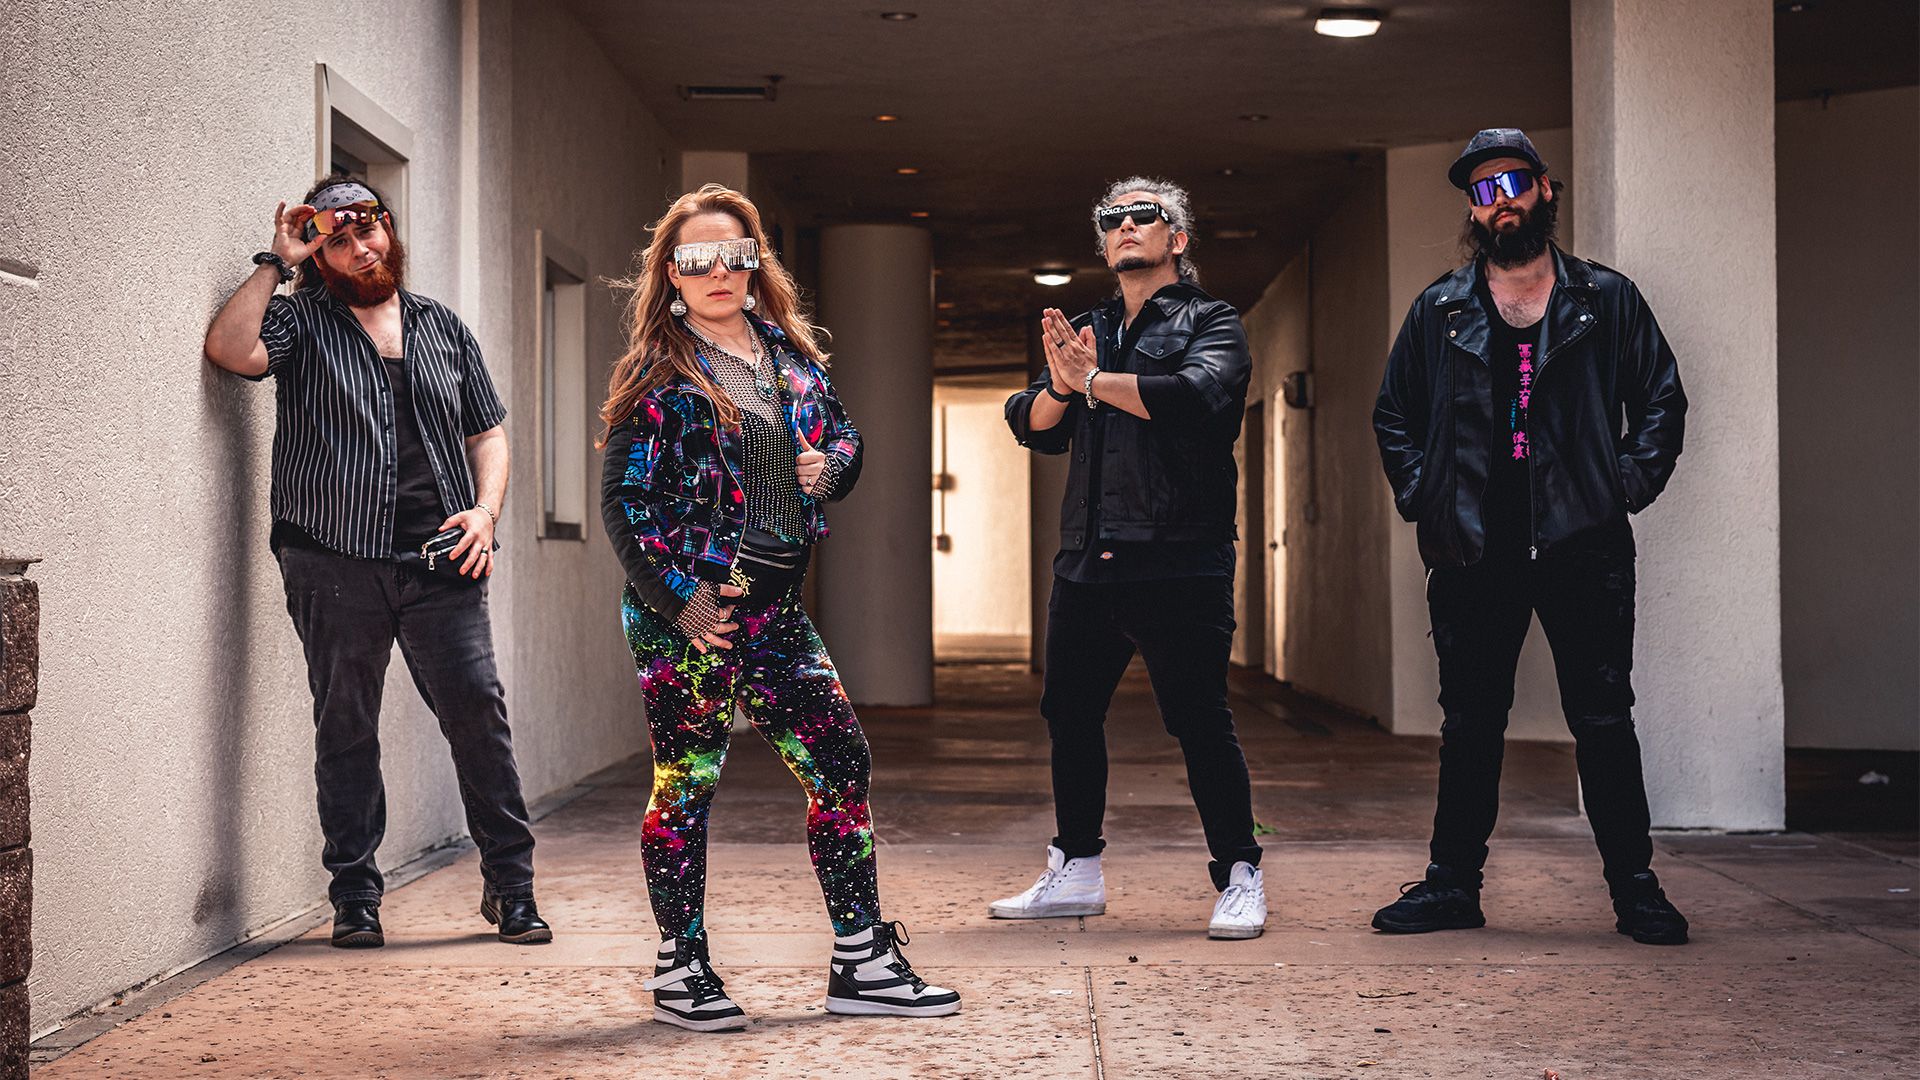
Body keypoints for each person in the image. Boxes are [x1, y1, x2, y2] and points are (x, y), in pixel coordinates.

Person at [599, 184, 960, 1031]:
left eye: (734, 254)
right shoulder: (658, 373)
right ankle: (681, 969)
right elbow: (623, 503)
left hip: (776, 610)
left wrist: (830, 468)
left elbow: (845, 437)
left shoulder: (791, 357)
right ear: (672, 274)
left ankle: (862, 962)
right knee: (687, 781)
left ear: (755, 262)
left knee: (841, 764)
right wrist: (681, 605)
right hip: (689, 614)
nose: (718, 271)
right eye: (697, 259)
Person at [203, 175, 548, 948]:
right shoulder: (299, 321)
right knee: (346, 725)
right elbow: (229, 349)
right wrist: (277, 261)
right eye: (339, 240)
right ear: (319, 254)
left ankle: (512, 886)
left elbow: (487, 433)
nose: (361, 249)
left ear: (387, 228)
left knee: (478, 716)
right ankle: (355, 897)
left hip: (443, 559)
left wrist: (486, 513)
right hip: (332, 558)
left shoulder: (443, 327)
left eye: (370, 230)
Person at [1371, 128, 1690, 945]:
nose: (1499, 200)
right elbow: (1394, 415)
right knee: (1470, 724)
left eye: (1512, 182)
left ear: (1545, 188)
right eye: (1482, 191)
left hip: (1584, 543)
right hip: (1475, 548)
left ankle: (1636, 891)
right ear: (1473, 210)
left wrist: (1620, 486)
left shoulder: (1605, 299)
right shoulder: (1441, 309)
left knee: (1603, 718)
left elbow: (1661, 398)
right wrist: (1429, 498)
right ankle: (1452, 886)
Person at [997, 177, 1266, 940]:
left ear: (1176, 238)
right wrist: (1063, 386)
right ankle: (1077, 868)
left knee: (1198, 719)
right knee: (1069, 712)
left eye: (1143, 215)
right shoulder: (1088, 330)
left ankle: (1240, 873)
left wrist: (1090, 382)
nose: (1124, 226)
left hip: (1180, 557)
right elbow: (1032, 422)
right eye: (1111, 219)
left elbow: (1195, 398)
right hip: (1089, 557)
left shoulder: (1212, 321)